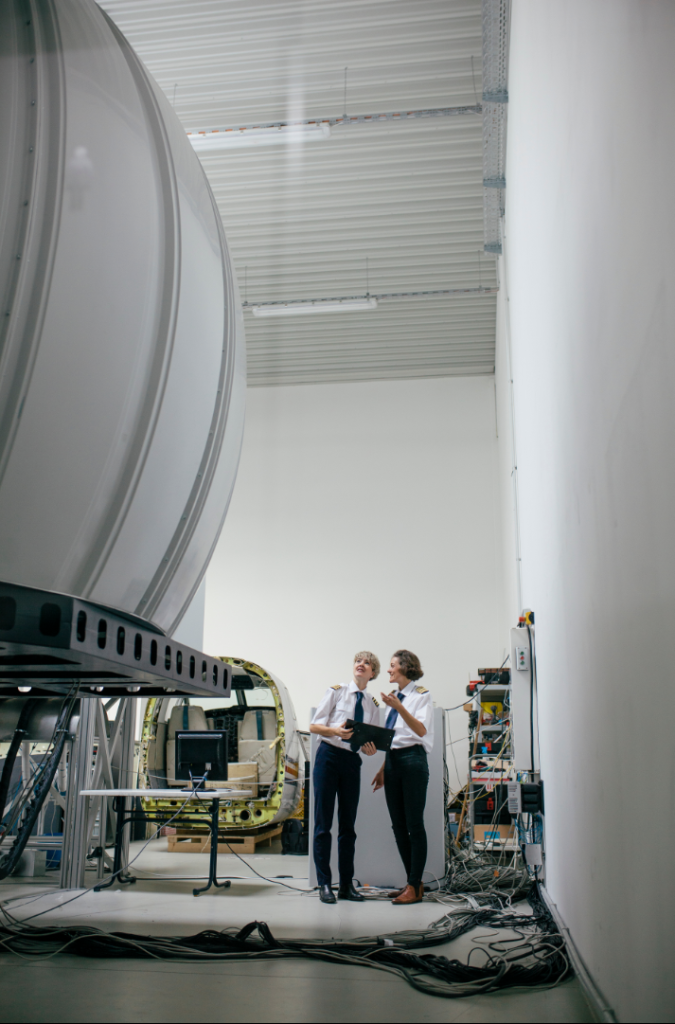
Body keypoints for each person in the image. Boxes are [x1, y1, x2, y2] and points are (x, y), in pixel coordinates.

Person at [310, 651, 380, 904]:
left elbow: (368, 740)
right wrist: (334, 730)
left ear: (373, 673)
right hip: (328, 756)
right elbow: (314, 726)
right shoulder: (337, 691)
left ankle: (346, 886)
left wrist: (369, 748)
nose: (361, 665)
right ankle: (324, 884)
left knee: (348, 827)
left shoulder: (372, 704)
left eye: (367, 663)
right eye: (358, 661)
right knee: (323, 824)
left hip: (351, 761)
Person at [372, 649, 433, 905]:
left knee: (414, 825)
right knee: (398, 826)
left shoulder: (421, 696)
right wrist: (384, 767)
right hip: (395, 761)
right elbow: (392, 738)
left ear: (406, 667)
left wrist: (400, 707)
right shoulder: (394, 698)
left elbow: (420, 730)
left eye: (392, 665)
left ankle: (414, 884)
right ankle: (413, 884)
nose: (388, 669)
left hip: (413, 760)